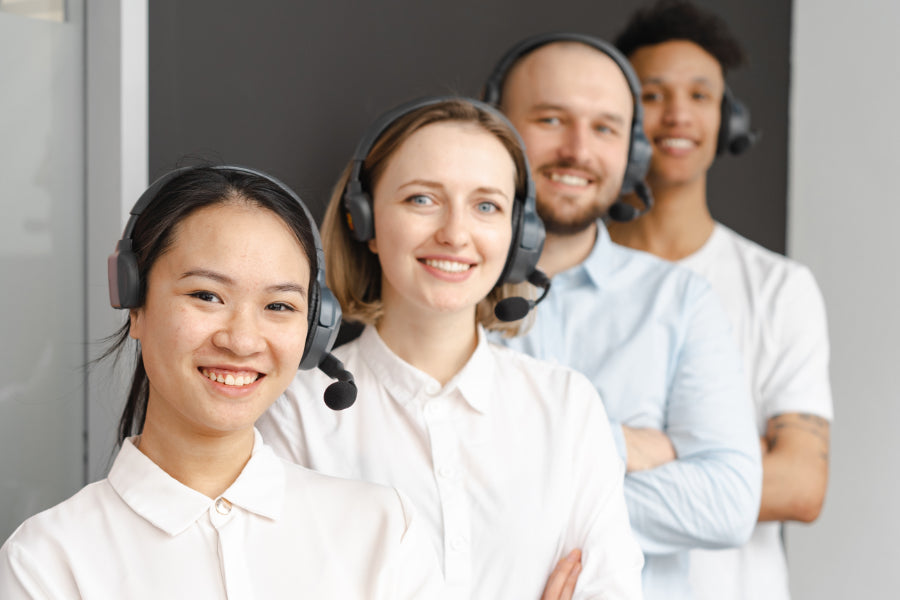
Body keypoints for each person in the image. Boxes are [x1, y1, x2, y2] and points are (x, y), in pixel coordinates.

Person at [258, 97, 644, 599]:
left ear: (520, 237)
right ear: (364, 221)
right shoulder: (296, 411)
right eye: (422, 199)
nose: (455, 233)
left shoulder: (567, 407)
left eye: (487, 206)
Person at [0, 166, 444, 599]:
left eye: (279, 306)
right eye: (206, 296)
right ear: (135, 304)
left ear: (314, 332)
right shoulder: (47, 563)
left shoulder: (383, 532)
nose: (243, 340)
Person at [482, 33, 762, 600]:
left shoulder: (681, 301)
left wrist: (512, 490)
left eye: (605, 127)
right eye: (551, 119)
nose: (578, 149)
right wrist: (618, 447)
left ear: (631, 152)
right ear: (494, 132)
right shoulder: (435, 287)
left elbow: (728, 502)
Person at [610, 3, 832, 599]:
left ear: (728, 120)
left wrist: (621, 449)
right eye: (653, 95)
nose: (679, 113)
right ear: (620, 115)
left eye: (701, 95)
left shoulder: (780, 288)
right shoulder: (562, 279)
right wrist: (722, 456)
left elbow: (801, 484)